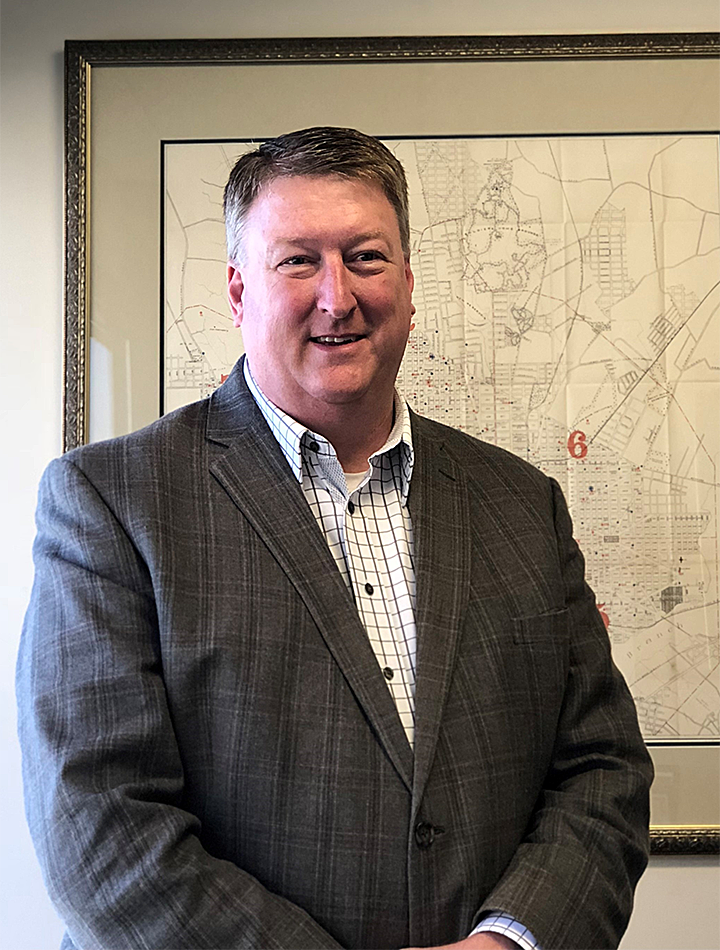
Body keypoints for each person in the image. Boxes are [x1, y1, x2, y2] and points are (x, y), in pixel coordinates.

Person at [17, 127, 653, 950]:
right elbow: (99, 829)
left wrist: (508, 940)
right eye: (297, 261)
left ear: (410, 286)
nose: (337, 294)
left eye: (365, 257)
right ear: (240, 292)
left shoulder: (523, 503)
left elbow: (603, 771)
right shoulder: (110, 503)